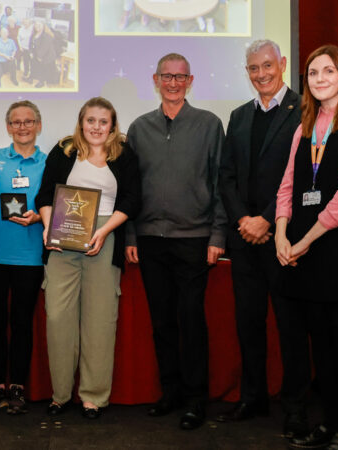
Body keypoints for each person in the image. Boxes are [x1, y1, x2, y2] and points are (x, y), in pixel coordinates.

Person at [276, 44, 338, 450]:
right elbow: (286, 185)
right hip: (304, 249)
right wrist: (282, 234)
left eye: (327, 72)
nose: (319, 79)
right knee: (319, 341)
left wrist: (302, 240)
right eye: (313, 73)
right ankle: (329, 422)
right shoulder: (305, 125)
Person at [125, 53, 226, 430]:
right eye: (166, 76)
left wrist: (218, 234)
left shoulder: (209, 124)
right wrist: (132, 234)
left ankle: (196, 398)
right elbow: (130, 190)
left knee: (191, 320)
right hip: (150, 240)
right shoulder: (139, 128)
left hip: (194, 239)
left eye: (179, 77)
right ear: (155, 79)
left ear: (190, 80)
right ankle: (171, 392)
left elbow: (220, 183)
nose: (172, 82)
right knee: (162, 321)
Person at [216, 39, 311, 438]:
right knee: (248, 323)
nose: (261, 74)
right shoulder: (237, 116)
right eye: (254, 68)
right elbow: (227, 177)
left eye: (268, 66)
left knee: (290, 326)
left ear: (283, 64)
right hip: (244, 240)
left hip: (284, 239)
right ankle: (252, 397)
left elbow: (304, 176)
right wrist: (242, 219)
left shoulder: (305, 110)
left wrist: (268, 221)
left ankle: (296, 406)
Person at [36, 97, 141, 420]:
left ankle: (93, 396)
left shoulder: (123, 155)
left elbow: (132, 199)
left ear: (112, 126)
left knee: (99, 321)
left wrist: (105, 231)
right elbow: (44, 194)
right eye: (90, 120)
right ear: (81, 122)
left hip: (104, 238)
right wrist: (47, 226)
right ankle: (60, 394)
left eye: (103, 121)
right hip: (61, 242)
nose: (96, 127)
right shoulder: (64, 151)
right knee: (57, 319)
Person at [0, 101, 46, 415]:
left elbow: (58, 206)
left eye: (29, 121)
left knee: (22, 323)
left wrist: (41, 218)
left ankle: (17, 385)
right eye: (16, 122)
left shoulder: (49, 163)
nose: (23, 127)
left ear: (38, 125)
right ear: (8, 127)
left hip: (31, 256)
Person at [30, 20, 57, 88]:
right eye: (36, 25)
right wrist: (31, 52)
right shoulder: (34, 34)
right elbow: (31, 44)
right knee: (37, 68)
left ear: (43, 26)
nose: (37, 26)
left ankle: (41, 82)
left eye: (39, 25)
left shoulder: (46, 35)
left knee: (43, 69)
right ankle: (33, 78)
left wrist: (39, 56)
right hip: (38, 54)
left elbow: (44, 48)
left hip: (47, 56)